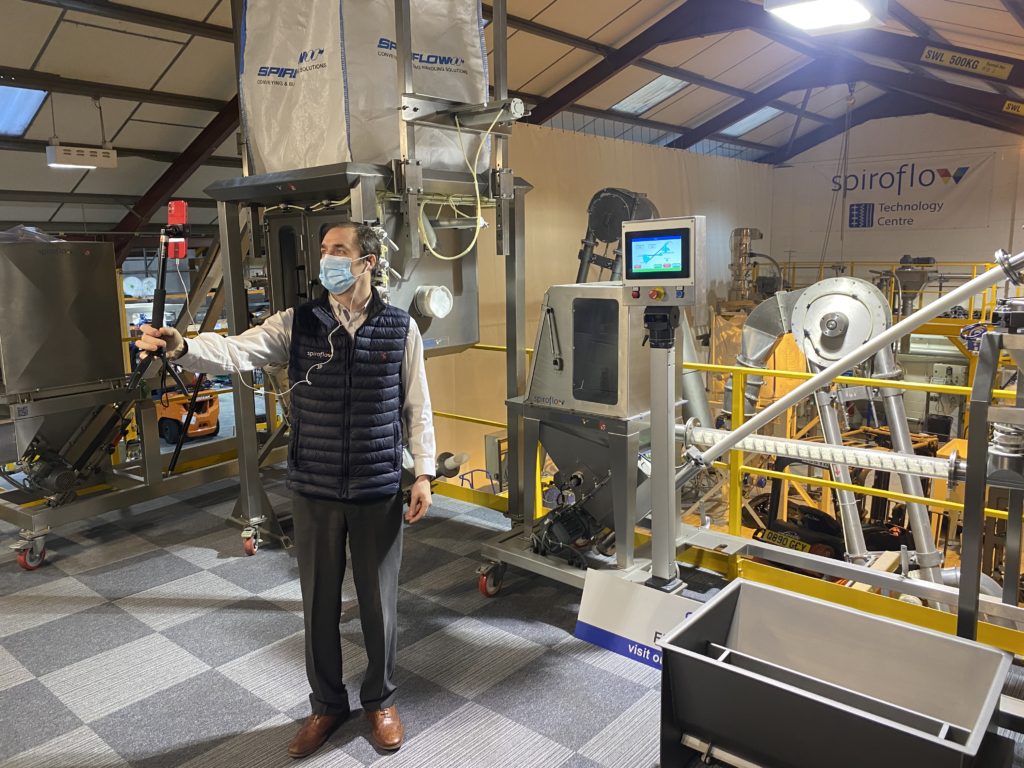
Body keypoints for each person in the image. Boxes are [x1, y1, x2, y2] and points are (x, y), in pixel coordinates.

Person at [136, 223, 435, 758]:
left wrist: (424, 473)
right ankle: (326, 705)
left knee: (379, 605)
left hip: (376, 486)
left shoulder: (400, 329)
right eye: (324, 252)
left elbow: (418, 407)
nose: (328, 261)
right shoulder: (296, 324)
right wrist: (182, 347)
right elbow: (233, 352)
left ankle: (381, 701)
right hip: (315, 488)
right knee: (318, 603)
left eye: (339, 252)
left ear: (368, 262)